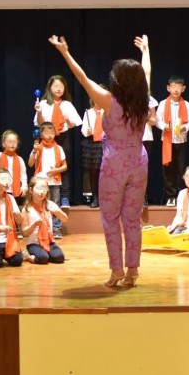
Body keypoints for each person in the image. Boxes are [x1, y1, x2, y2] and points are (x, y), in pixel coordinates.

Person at [48, 33, 150, 288]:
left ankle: (117, 270)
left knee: (111, 217)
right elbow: (147, 72)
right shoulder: (143, 99)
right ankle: (133, 270)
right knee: (132, 218)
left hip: (115, 163)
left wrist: (64, 52)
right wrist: (146, 51)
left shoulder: (109, 100)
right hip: (139, 161)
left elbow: (82, 78)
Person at [34, 74, 82, 209]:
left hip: (62, 137)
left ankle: (64, 197)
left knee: (63, 166)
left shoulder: (67, 104)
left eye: (61, 86)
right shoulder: (43, 104)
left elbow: (73, 124)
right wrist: (39, 112)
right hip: (46, 137)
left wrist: (67, 118)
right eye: (56, 86)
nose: (59, 89)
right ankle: (43, 194)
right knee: (44, 165)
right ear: (49, 87)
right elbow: (40, 124)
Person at [28, 122, 68, 239]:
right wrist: (34, 151)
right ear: (41, 135)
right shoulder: (38, 148)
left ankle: (56, 228)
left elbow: (65, 166)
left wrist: (56, 170)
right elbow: (30, 164)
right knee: (39, 203)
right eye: (47, 133)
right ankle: (39, 226)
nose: (50, 135)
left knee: (55, 203)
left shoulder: (59, 148)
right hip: (40, 181)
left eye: (52, 133)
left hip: (54, 181)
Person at [156, 74, 189, 207]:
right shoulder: (162, 104)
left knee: (181, 169)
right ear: (168, 88)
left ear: (183, 89)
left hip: (181, 141)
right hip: (167, 140)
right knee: (168, 169)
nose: (176, 89)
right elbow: (158, 120)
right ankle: (171, 196)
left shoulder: (186, 104)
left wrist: (184, 128)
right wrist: (165, 126)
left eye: (179, 86)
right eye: (173, 86)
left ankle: (181, 195)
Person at [21, 177, 69, 264]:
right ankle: (27, 256)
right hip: (34, 243)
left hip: (49, 242)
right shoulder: (26, 209)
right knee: (43, 258)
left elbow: (65, 219)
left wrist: (58, 212)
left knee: (59, 258)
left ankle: (46, 252)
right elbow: (24, 233)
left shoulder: (50, 204)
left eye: (44, 189)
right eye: (38, 188)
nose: (41, 192)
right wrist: (35, 224)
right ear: (31, 190)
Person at [0, 129, 28, 206]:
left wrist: (24, 187)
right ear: (3, 144)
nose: (12, 144)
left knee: (13, 208)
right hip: (1, 189)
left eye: (14, 142)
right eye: (10, 142)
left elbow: (23, 175)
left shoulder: (20, 159)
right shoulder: (0, 155)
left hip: (14, 190)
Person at [81, 93, 105, 208]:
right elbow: (83, 129)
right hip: (92, 143)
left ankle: (105, 197)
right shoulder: (88, 112)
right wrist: (88, 131)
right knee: (93, 171)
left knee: (106, 171)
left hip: (106, 143)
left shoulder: (108, 112)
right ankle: (95, 197)